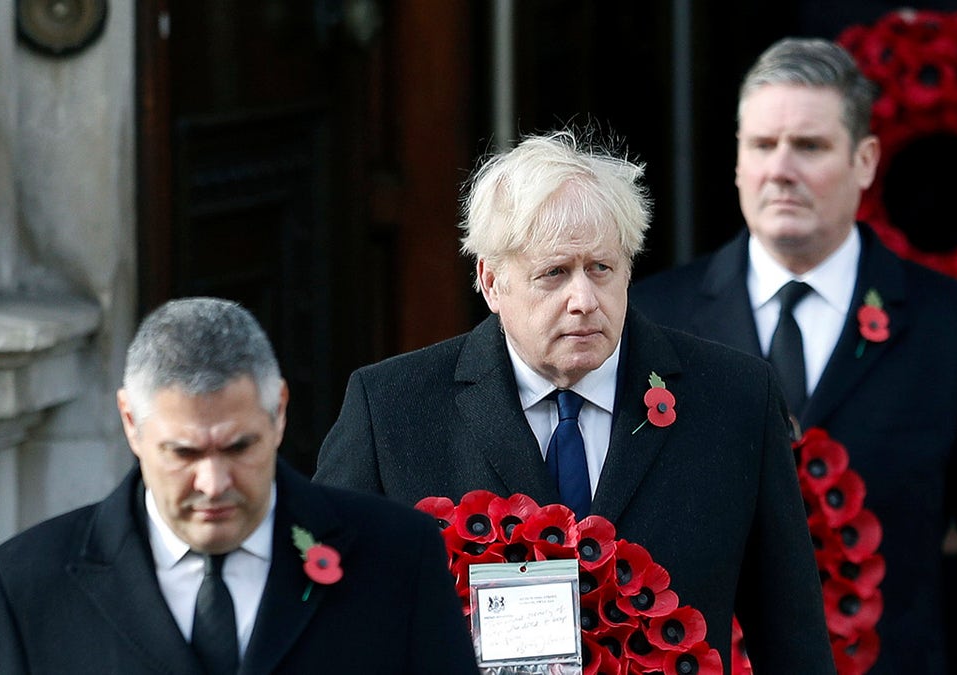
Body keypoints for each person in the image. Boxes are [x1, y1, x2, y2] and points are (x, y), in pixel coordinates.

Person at [313, 129, 836, 673]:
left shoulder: (735, 398)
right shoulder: (391, 411)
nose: (583, 300)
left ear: (628, 270)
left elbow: (792, 637)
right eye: (554, 273)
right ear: (491, 282)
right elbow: (330, 623)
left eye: (601, 269)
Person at [629, 38, 957, 674]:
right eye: (761, 145)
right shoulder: (653, 318)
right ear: (737, 164)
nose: (780, 168)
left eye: (809, 146)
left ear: (865, 162)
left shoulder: (954, 329)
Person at [0, 297, 479, 674]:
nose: (213, 484)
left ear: (279, 412)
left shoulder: (396, 557)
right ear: (131, 421)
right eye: (184, 453)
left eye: (239, 448)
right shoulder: (27, 588)